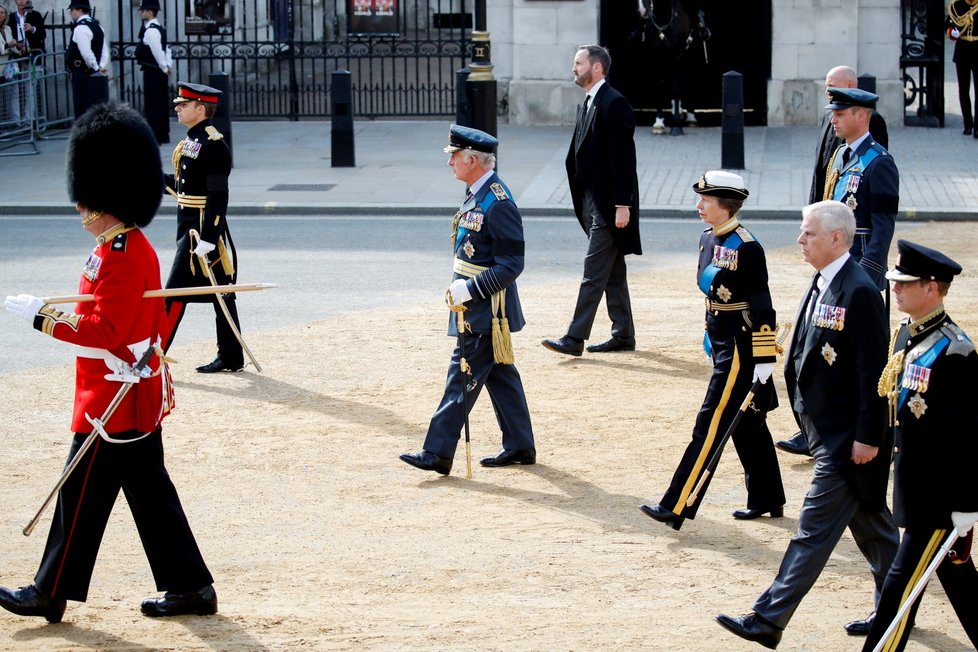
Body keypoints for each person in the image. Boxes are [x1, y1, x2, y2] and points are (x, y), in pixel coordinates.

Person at [0, 103, 216, 623]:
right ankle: (190, 587)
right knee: (148, 494)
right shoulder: (113, 245)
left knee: (80, 495)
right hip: (122, 393)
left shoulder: (122, 251)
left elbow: (107, 331)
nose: (79, 206)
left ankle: (49, 591)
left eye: (86, 198)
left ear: (104, 193)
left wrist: (43, 318)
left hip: (113, 401)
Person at [715, 200, 899, 650]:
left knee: (810, 534)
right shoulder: (822, 281)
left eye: (808, 233)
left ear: (837, 239)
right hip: (824, 432)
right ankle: (896, 608)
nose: (800, 240)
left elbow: (874, 375)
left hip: (845, 441)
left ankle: (767, 618)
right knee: (876, 533)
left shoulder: (859, 292)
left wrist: (866, 438)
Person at [639, 171, 785, 531]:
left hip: (740, 348)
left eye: (707, 202)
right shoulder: (708, 237)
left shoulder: (747, 247)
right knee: (747, 422)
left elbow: (763, 305)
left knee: (710, 425)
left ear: (726, 206)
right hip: (721, 342)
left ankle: (677, 504)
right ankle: (767, 498)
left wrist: (765, 357)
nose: (699, 206)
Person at [861, 240, 978, 652]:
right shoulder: (906, 337)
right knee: (962, 585)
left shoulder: (955, 351)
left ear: (932, 288)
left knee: (897, 592)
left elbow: (969, 438)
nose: (894, 288)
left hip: (938, 498)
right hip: (914, 487)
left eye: (904, 284)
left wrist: (966, 506)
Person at [400, 125, 536, 475]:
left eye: (454, 157)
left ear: (473, 160)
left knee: (461, 375)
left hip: (486, 310)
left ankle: (437, 452)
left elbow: (511, 264)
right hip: (475, 304)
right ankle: (520, 445)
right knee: (500, 376)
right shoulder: (478, 192)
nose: (450, 164)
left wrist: (471, 290)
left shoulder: (498, 201)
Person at [777, 86, 901, 461]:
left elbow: (882, 225)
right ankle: (815, 424)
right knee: (819, 348)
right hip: (833, 267)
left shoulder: (879, 162)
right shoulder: (839, 157)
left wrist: (869, 276)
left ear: (861, 115)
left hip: (858, 270)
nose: (834, 118)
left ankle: (876, 430)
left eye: (841, 112)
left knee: (861, 358)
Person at [542, 44, 641, 357]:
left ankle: (574, 338)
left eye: (578, 63)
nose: (573, 68)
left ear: (597, 68)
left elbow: (624, 160)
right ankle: (623, 334)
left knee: (593, 271)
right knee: (612, 271)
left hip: (610, 205)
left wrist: (623, 205)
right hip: (592, 201)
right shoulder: (588, 102)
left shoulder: (614, 104)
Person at [160, 81, 245, 373]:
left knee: (171, 295)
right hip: (189, 228)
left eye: (183, 105)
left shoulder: (212, 143)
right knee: (222, 292)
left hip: (199, 233)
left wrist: (209, 237)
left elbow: (218, 195)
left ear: (200, 108)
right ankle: (232, 355)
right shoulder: (192, 140)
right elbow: (184, 188)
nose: (177, 108)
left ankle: (151, 358)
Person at [808, 65, 888, 205]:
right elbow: (820, 168)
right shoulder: (828, 117)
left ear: (850, 85)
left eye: (832, 86)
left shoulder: (872, 120)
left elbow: (874, 167)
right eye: (826, 87)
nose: (827, 92)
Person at [66, 0, 109, 119]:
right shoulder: (97, 26)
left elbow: (86, 53)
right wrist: (100, 67)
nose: (71, 13)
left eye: (72, 10)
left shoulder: (80, 28)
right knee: (95, 109)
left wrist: (95, 66)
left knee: (82, 109)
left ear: (79, 10)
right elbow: (104, 50)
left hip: (82, 73)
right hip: (95, 73)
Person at [136, 0, 171, 144]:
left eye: (143, 10)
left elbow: (157, 51)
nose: (141, 13)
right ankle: (163, 133)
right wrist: (167, 65)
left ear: (149, 12)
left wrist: (164, 66)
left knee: (153, 104)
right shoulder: (158, 28)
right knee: (160, 102)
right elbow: (166, 49)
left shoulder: (150, 30)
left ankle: (155, 135)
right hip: (159, 70)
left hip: (153, 70)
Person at [948, 0, 978, 138]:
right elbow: (948, 24)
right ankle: (968, 124)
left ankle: (977, 126)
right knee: (963, 89)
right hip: (962, 51)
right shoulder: (957, 6)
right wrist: (951, 32)